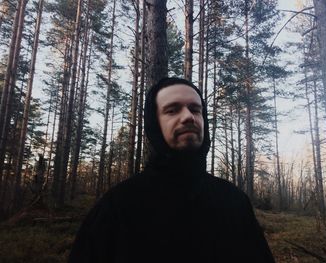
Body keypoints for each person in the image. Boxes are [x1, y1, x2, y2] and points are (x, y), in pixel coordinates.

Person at [69, 77, 275, 262]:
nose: (188, 117)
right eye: (172, 110)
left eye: (195, 109)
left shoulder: (234, 201)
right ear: (154, 124)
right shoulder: (117, 206)